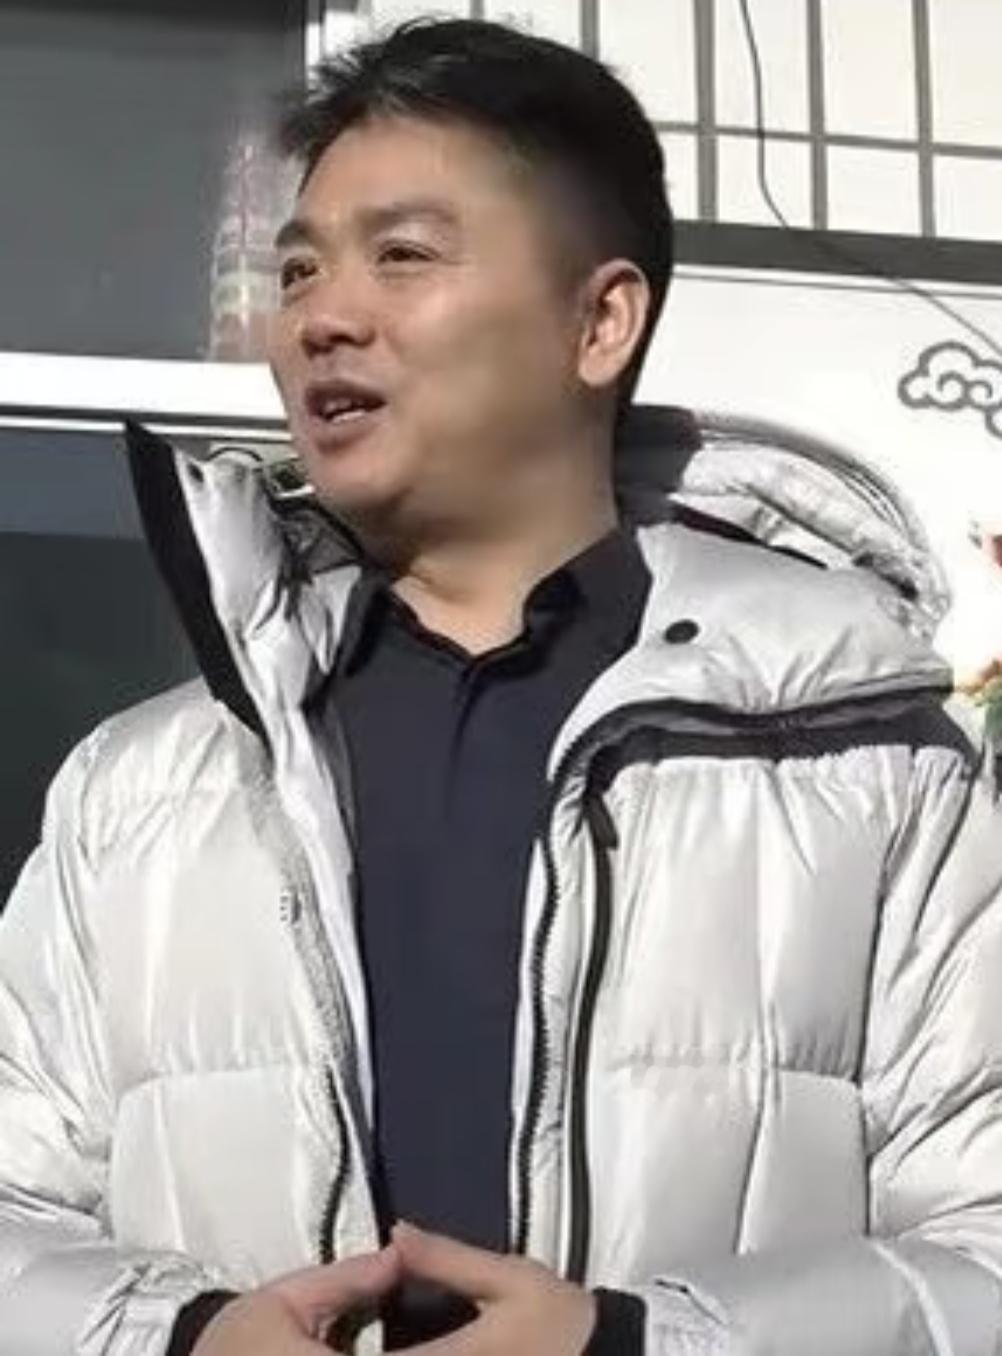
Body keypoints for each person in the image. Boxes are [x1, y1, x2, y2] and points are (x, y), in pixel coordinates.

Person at [2, 16, 1002, 1356]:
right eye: (299, 269)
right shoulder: (142, 788)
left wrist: (633, 1343)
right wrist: (186, 1338)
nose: (321, 318)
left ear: (600, 321)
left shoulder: (868, 767)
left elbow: (982, 1247)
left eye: (402, 256)